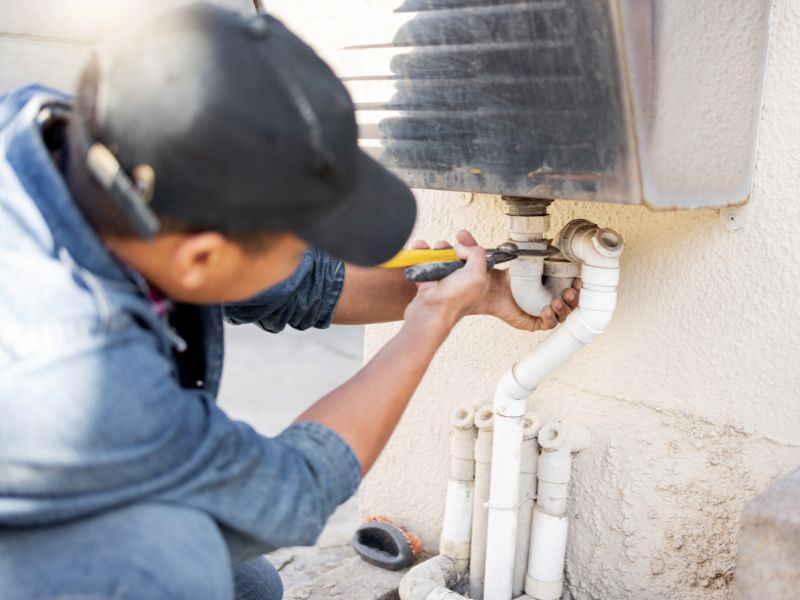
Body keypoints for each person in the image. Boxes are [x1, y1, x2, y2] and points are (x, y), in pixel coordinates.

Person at [0, 5, 579, 599]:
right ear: (199, 257)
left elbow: (291, 282)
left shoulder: (89, 150)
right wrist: (428, 322)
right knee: (179, 571)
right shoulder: (65, 371)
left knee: (248, 585)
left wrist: (469, 293)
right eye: (304, 238)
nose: (317, 250)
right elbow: (283, 495)